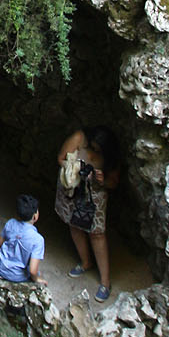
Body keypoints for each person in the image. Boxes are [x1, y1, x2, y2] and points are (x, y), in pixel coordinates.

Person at [54, 125, 120, 302]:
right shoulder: (79, 138)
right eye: (92, 146)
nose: (93, 151)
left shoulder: (111, 156)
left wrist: (101, 180)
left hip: (95, 195)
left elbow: (113, 183)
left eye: (98, 150)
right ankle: (86, 262)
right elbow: (61, 158)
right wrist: (76, 168)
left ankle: (105, 282)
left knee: (97, 234)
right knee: (74, 225)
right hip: (73, 189)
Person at [0, 194, 46, 284]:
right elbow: (32, 271)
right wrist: (37, 279)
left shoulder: (10, 223)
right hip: (16, 275)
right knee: (36, 274)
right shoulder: (38, 239)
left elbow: (0, 243)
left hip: (0, 265)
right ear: (35, 217)